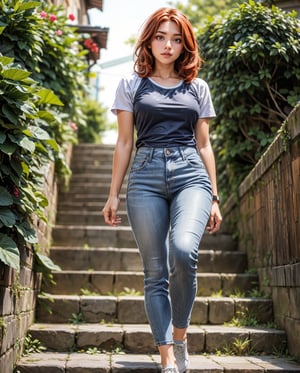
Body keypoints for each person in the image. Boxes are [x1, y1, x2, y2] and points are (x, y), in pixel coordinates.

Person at [102, 7, 222, 373]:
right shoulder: (131, 84)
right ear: (149, 40)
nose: (167, 45)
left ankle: (181, 337)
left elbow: (204, 145)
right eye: (160, 37)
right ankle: (167, 356)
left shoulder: (196, 87)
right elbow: (124, 143)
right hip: (145, 175)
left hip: (190, 172)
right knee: (155, 272)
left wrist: (215, 196)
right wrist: (113, 193)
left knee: (183, 251)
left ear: (185, 45)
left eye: (175, 39)